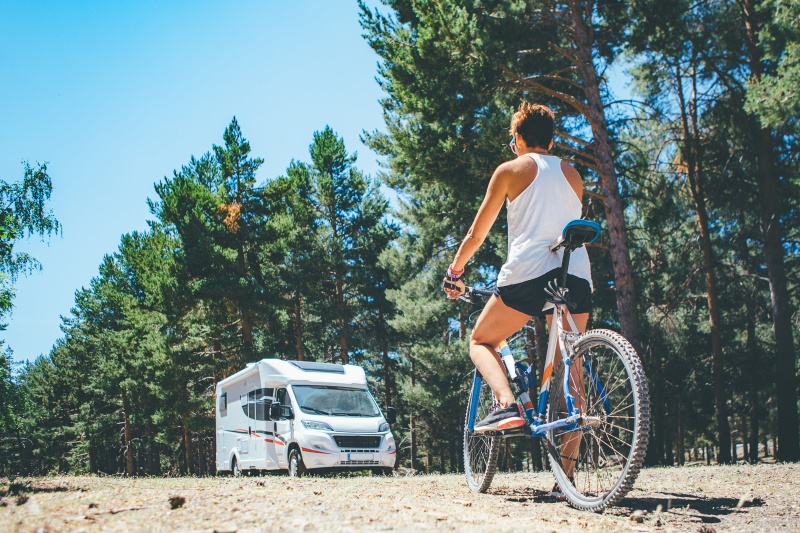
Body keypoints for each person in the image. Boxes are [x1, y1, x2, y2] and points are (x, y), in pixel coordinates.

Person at [442, 102, 592, 498]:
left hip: (530, 272)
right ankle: (568, 483)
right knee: (569, 366)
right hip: (575, 273)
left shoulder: (510, 170)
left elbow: (477, 234)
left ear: (520, 139)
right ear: (553, 139)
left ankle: (507, 404)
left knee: (480, 340)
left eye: (513, 140)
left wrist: (455, 271)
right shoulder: (573, 174)